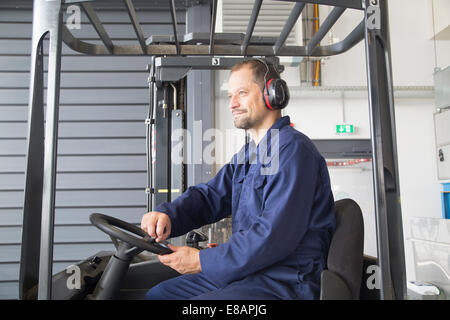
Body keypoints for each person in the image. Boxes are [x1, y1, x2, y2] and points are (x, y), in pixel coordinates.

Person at [141, 59, 336, 300]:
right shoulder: (250, 154)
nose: (232, 103)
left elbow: (273, 236)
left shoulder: (293, 151)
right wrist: (168, 215)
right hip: (251, 274)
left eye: (242, 93)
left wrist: (202, 260)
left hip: (285, 282)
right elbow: (210, 196)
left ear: (273, 94)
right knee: (159, 296)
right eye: (230, 95)